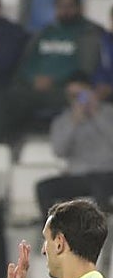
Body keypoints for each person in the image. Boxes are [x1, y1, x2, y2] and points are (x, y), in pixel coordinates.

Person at [0, 0, 102, 143]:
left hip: (67, 91)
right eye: (60, 6)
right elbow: (26, 63)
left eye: (70, 6)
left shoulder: (91, 33)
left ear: (80, 7)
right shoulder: (44, 33)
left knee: (83, 100)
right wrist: (32, 79)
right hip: (33, 88)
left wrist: (55, 81)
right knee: (0, 98)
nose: (65, 10)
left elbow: (87, 67)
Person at [36, 73, 113, 215]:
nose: (77, 100)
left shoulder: (108, 113)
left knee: (98, 184)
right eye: (72, 96)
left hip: (107, 173)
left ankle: (101, 231)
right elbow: (59, 151)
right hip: (79, 176)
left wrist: (96, 114)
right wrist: (74, 122)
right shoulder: (63, 120)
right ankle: (51, 231)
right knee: (43, 187)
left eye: (80, 95)